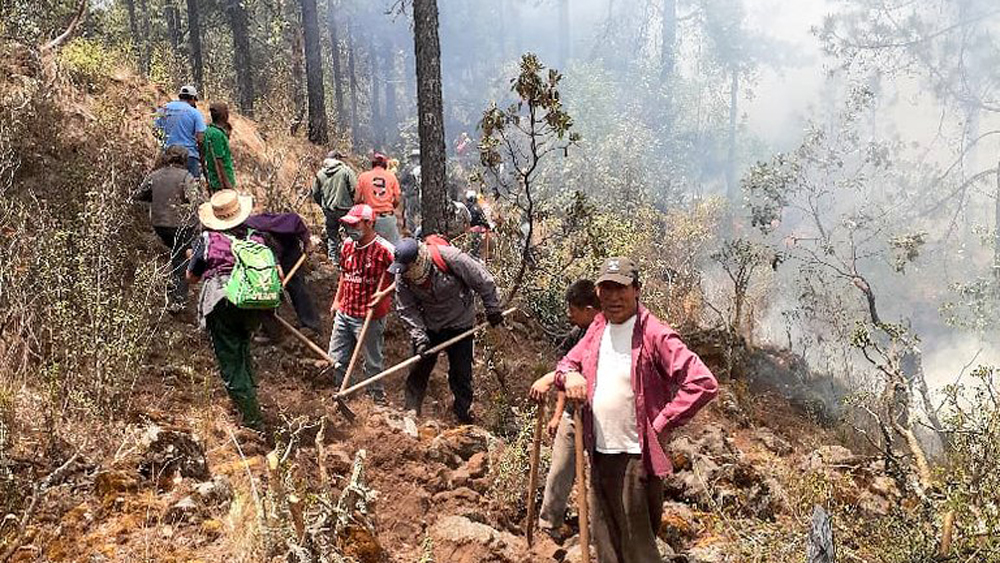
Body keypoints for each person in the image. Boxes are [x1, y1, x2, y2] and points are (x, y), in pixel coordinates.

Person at [535, 257, 718, 563]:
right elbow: (567, 363)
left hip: (636, 457)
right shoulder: (598, 326)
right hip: (599, 450)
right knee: (605, 543)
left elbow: (703, 383)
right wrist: (571, 376)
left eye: (621, 289)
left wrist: (659, 424)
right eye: (607, 289)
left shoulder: (655, 334)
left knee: (638, 550)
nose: (613, 297)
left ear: (636, 290)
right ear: (598, 292)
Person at [186, 190, 274, 431]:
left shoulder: (207, 240)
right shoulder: (256, 238)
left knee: (231, 361)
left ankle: (253, 421)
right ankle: (249, 400)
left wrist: (193, 259)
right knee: (243, 349)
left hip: (221, 303)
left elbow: (191, 277)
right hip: (252, 303)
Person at [390, 237, 503, 423]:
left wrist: (492, 308)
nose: (403, 272)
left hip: (460, 324)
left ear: (417, 260)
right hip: (429, 326)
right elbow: (406, 308)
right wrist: (419, 337)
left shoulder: (451, 258)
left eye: (407, 268)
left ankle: (463, 415)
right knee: (418, 369)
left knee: (461, 373)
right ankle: (411, 411)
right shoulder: (402, 275)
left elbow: (482, 279)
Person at [528, 280, 600, 539]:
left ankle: (600, 532)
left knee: (602, 478)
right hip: (573, 413)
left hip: (601, 416)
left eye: (573, 309)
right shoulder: (578, 333)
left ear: (590, 310)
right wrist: (557, 415)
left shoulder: (608, 332)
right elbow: (564, 372)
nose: (569, 314)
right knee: (560, 467)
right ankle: (549, 526)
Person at [326, 204, 395, 404]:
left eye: (355, 225)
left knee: (372, 362)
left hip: (370, 316)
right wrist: (337, 300)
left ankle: (377, 400)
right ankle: (346, 395)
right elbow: (344, 275)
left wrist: (384, 293)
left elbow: (403, 277)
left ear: (369, 223)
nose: (350, 229)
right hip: (345, 312)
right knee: (335, 358)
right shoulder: (347, 245)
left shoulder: (385, 250)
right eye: (348, 225)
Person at [136, 145, 202, 312]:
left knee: (175, 255)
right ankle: (177, 301)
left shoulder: (155, 175)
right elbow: (195, 200)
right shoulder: (186, 176)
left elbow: (139, 194)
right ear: (184, 159)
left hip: (159, 224)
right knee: (181, 260)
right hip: (180, 225)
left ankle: (171, 290)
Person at [246, 212, 322, 336]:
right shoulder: (245, 230)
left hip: (287, 248)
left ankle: (311, 326)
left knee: (294, 286)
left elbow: (267, 247)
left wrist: (307, 241)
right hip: (276, 248)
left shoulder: (249, 231)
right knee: (270, 290)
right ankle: (273, 329)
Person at [312, 151, 358, 263]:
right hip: (345, 209)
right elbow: (355, 189)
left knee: (332, 236)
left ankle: (333, 261)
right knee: (351, 236)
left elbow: (315, 193)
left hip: (329, 210)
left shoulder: (320, 174)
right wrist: (354, 204)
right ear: (337, 158)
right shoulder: (346, 171)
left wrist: (323, 205)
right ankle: (351, 260)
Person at [155, 85, 206, 179]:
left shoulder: (164, 109)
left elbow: (155, 130)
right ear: (192, 98)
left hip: (168, 155)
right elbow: (200, 138)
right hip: (189, 156)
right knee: (194, 186)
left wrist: (165, 142)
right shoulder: (195, 113)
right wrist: (202, 156)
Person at [356, 152, 402, 243]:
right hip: (387, 217)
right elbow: (397, 199)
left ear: (372, 164)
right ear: (385, 164)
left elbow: (357, 199)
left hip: (369, 220)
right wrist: (391, 207)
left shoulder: (363, 177)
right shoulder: (391, 177)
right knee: (393, 248)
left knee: (370, 248)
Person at [203, 102, 236, 193]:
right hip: (220, 183)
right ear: (224, 115)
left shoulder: (210, 130)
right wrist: (227, 185)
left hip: (215, 180)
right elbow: (218, 161)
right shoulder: (216, 135)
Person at [400, 149, 421, 232]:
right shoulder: (427, 168)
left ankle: (412, 233)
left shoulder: (408, 169)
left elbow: (402, 180)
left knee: (410, 215)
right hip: (423, 196)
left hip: (412, 195)